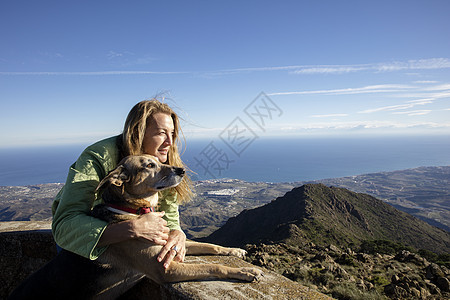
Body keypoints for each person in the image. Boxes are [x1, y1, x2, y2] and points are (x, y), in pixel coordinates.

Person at [51, 99, 193, 272]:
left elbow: (168, 210)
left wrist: (177, 233)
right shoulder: (97, 157)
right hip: (82, 245)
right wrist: (132, 228)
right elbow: (65, 226)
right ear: (137, 133)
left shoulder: (163, 162)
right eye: (161, 133)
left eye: (172, 133)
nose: (170, 142)